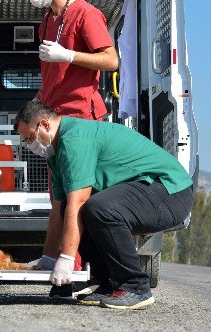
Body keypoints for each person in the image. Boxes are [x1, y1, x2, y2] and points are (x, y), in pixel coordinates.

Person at [14, 101, 194, 310]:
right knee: (72, 210)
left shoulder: (75, 139)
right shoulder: (56, 153)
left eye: (29, 138)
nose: (30, 145)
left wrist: (66, 258)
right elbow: (59, 209)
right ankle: (109, 282)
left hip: (170, 192)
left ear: (44, 124)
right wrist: (48, 258)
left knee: (97, 208)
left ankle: (135, 286)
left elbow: (79, 201)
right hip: (150, 191)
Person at [17, 0, 119, 275]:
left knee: (77, 194)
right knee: (58, 195)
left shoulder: (87, 15)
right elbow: (53, 78)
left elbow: (111, 61)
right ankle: (52, 259)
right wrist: (36, 102)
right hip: (54, 120)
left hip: (81, 120)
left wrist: (70, 55)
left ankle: (72, 266)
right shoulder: (46, 22)